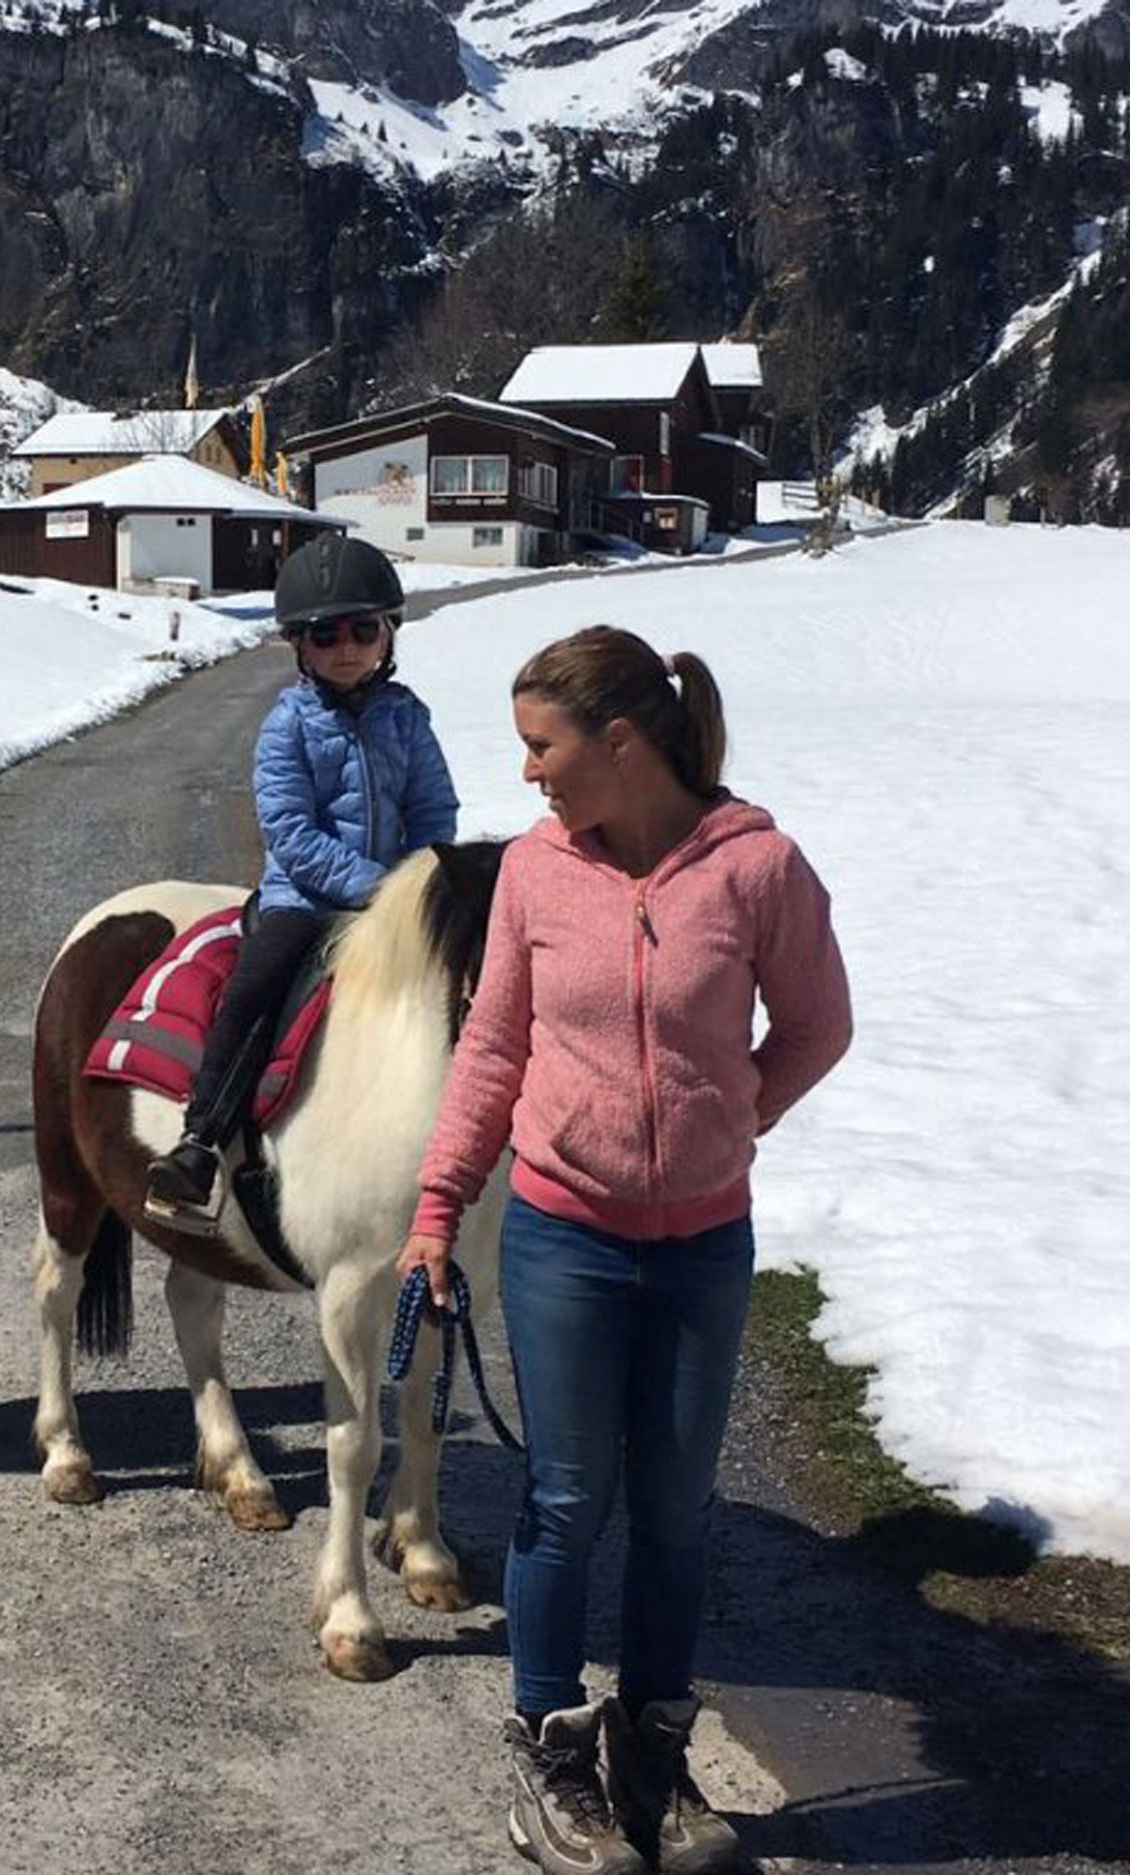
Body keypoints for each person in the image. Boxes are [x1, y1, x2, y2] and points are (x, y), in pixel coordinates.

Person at [396, 627, 851, 1875]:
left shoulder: (755, 868)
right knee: (563, 1499)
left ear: (621, 740)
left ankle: (652, 1761)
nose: (531, 775)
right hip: (565, 1233)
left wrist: (729, 1116)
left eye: (544, 747)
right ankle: (550, 1762)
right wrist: (439, 1208)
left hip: (703, 1242)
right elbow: (492, 1048)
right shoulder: (537, 876)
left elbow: (818, 1022)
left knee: (675, 1511)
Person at [144, 533, 457, 1224]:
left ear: (387, 633)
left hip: (398, 900)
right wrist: (380, 889)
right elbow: (292, 834)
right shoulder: (285, 725)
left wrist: (422, 881)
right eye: (324, 633)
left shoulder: (408, 718)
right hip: (306, 902)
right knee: (258, 983)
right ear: (298, 643)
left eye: (362, 629)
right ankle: (200, 1139)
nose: (345, 646)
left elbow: (434, 808)